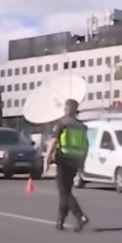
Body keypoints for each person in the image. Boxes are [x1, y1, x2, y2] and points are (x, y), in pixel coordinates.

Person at [43, 99, 90, 232]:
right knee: (66, 192)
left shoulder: (62, 123)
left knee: (64, 192)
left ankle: (80, 216)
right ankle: (60, 221)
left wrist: (46, 159)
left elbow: (53, 141)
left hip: (64, 160)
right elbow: (86, 145)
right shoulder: (81, 126)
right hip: (75, 161)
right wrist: (82, 162)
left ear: (66, 109)